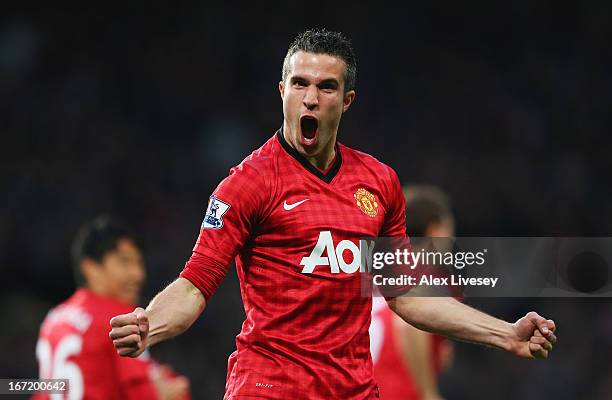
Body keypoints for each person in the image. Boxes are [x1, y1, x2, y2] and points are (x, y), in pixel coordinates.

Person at [109, 29, 557, 400]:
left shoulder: (379, 182)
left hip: (353, 391)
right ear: (282, 92)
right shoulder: (247, 184)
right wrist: (150, 324)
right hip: (269, 388)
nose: (310, 98)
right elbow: (194, 284)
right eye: (300, 83)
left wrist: (505, 334)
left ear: (346, 100)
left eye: (326, 87)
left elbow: (407, 296)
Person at [35, 216, 190, 400]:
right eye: (125, 262)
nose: (138, 274)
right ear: (91, 268)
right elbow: (142, 394)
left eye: (139, 263)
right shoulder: (117, 320)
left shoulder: (53, 319)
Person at [370, 185, 460, 400]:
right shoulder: (428, 271)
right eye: (450, 230)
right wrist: (428, 393)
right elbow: (407, 327)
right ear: (435, 229)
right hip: (400, 390)